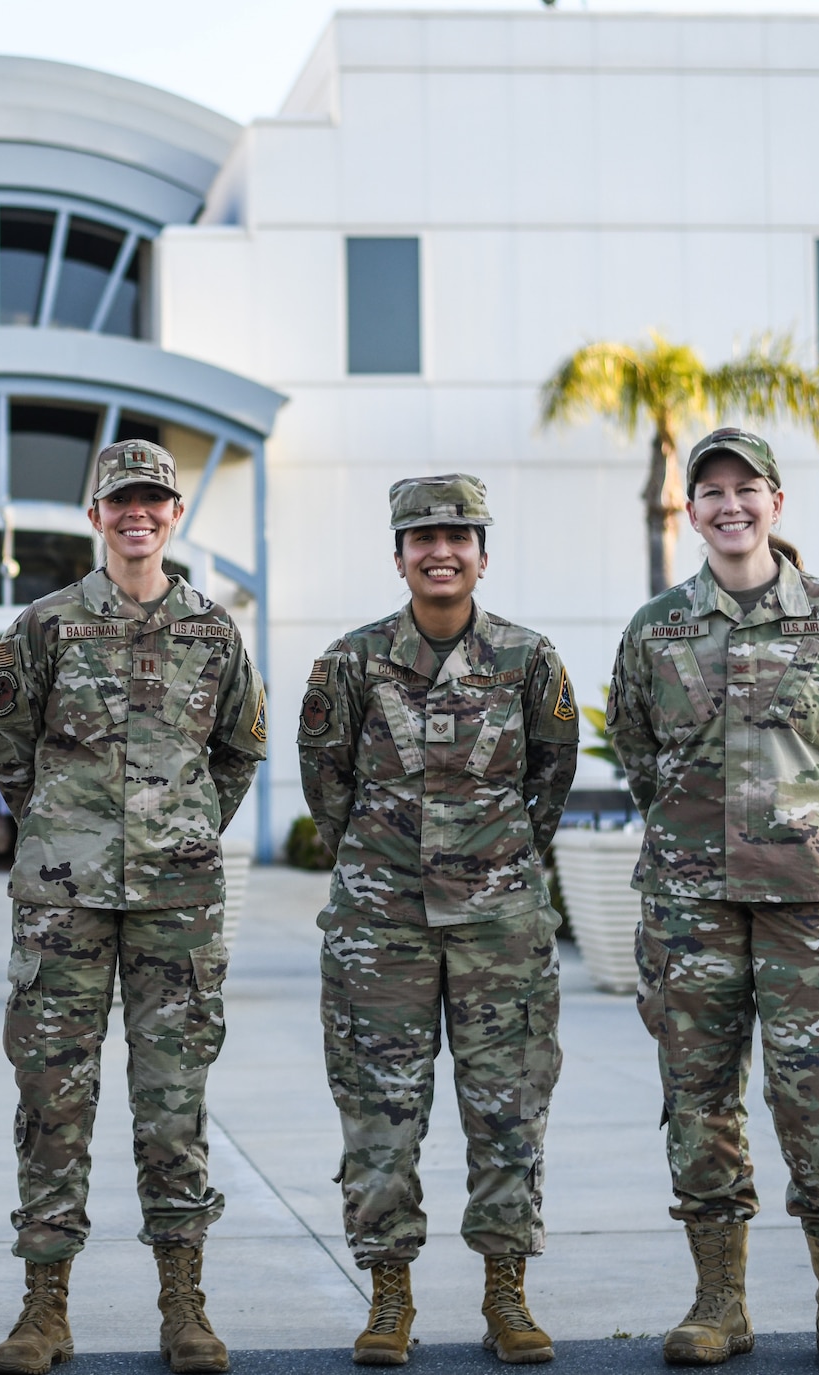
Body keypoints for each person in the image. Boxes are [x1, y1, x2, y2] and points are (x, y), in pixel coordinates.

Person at [0, 438, 268, 1375]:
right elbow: (9, 748)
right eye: (120, 500)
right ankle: (44, 1307)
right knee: (52, 1101)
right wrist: (67, 830)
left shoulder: (214, 632)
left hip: (176, 903)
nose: (137, 514)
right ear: (94, 514)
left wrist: (179, 826)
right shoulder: (46, 626)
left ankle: (183, 1306)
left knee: (172, 1104)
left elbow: (236, 752)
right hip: (61, 904)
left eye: (153, 500)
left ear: (174, 513)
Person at [608, 428, 819, 1372]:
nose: (731, 505)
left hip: (809, 903)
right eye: (712, 491)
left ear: (778, 502)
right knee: (698, 1098)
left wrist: (796, 836)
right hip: (690, 903)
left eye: (748, 489)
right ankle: (718, 1298)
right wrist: (701, 838)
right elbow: (641, 757)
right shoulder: (655, 628)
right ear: (690, 511)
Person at [297, 475, 577, 1367]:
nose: (440, 550)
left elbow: (550, 779)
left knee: (508, 1110)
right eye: (422, 537)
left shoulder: (530, 660)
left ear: (482, 553)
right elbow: (325, 783)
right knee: (379, 1110)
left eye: (457, 535)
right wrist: (383, 865)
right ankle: (389, 1295)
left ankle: (506, 1294)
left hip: (502, 926)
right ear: (399, 556)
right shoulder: (350, 661)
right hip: (379, 926)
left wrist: (496, 862)